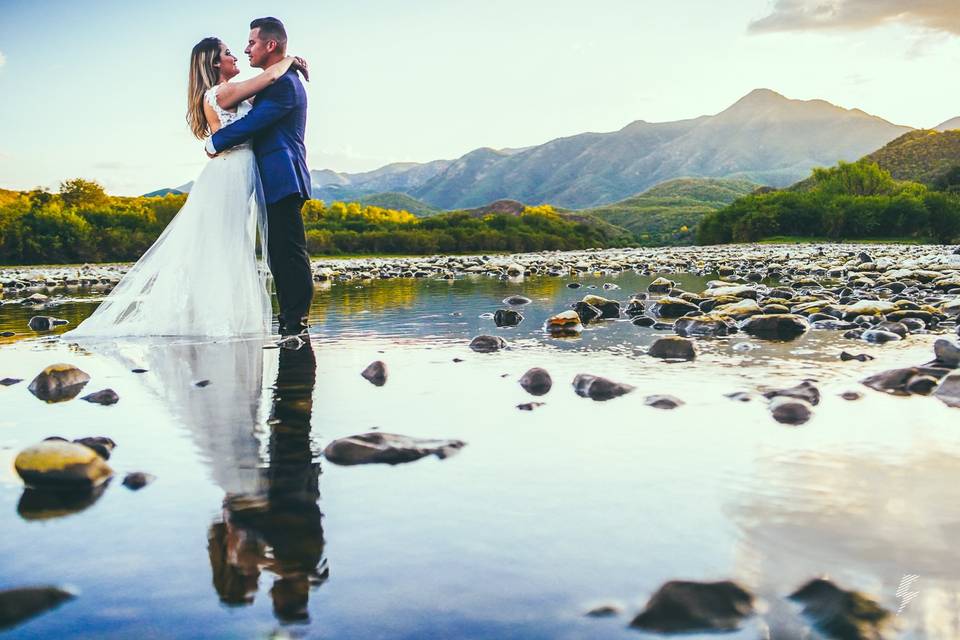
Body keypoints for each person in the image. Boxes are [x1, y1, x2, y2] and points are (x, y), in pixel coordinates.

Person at [65, 34, 308, 338]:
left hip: (239, 170)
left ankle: (235, 317)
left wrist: (289, 63)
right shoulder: (221, 93)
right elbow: (269, 80)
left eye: (245, 46)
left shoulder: (236, 92)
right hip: (229, 171)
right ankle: (215, 318)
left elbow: (262, 104)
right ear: (215, 62)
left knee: (231, 244)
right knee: (226, 245)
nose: (238, 54)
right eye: (229, 52)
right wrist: (290, 60)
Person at [206, 17, 314, 336]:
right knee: (281, 252)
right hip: (273, 176)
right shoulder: (275, 80)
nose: (246, 49)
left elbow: (255, 122)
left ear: (270, 45)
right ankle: (291, 320)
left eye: (251, 42)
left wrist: (216, 142)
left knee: (289, 251)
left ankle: (296, 321)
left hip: (283, 175)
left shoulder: (283, 84)